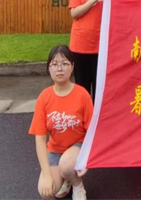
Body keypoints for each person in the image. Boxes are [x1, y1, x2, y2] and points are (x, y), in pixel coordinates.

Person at [29, 45, 93, 200]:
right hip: (55, 151)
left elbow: (92, 131)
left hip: (78, 147)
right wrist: (46, 175)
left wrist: (87, 159)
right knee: (46, 190)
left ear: (72, 67)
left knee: (67, 165)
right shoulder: (44, 98)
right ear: (49, 68)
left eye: (64, 64)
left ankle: (77, 184)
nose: (59, 69)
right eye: (55, 64)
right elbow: (40, 138)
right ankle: (66, 178)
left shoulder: (82, 94)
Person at [69, 0, 111, 99]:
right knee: (82, 89)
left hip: (100, 46)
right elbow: (74, 13)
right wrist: (93, 0)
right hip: (80, 45)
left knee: (99, 90)